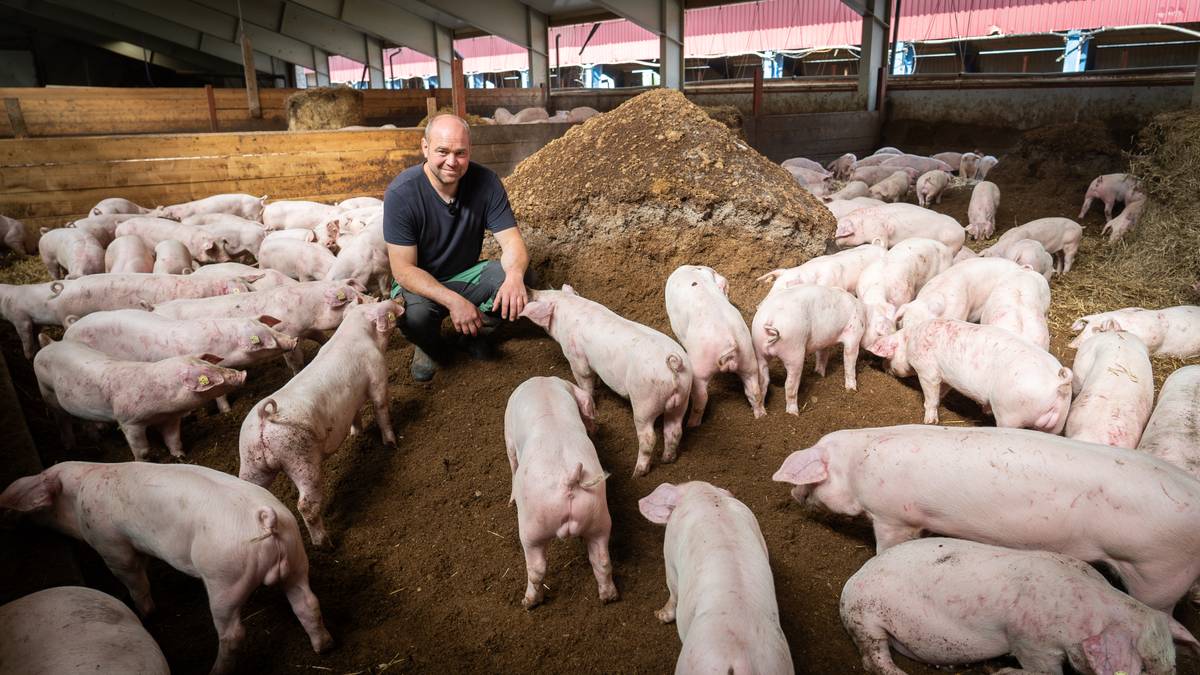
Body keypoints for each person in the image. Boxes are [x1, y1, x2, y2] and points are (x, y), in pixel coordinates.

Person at [384, 114, 532, 382]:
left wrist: (514, 277)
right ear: (425, 147)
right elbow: (403, 270)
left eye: (460, 153)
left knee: (519, 278)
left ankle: (474, 332)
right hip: (419, 281)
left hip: (464, 274)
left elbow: (512, 242)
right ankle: (428, 345)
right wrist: (454, 302)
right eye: (442, 151)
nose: (452, 161)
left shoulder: (486, 183)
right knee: (415, 316)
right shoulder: (402, 193)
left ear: (469, 152)